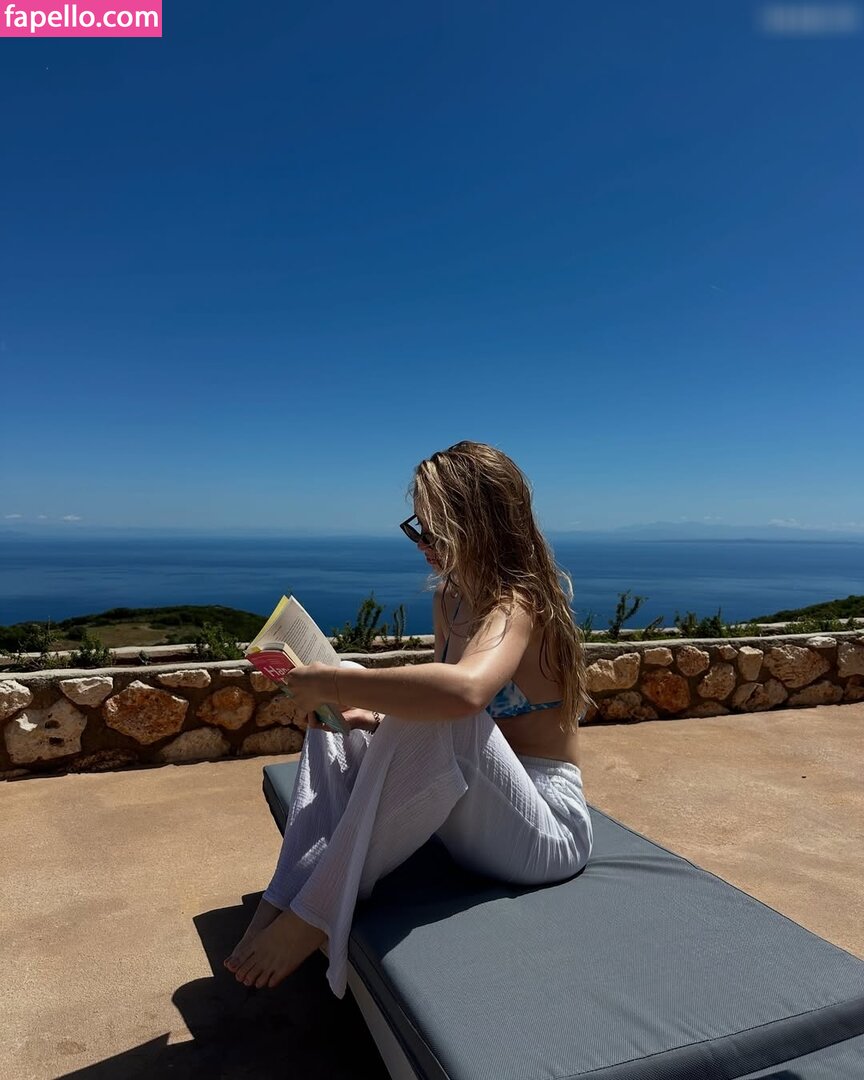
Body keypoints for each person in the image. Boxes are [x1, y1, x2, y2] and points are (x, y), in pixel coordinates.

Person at [224, 440, 594, 996]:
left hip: (543, 832)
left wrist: (336, 685)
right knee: (354, 691)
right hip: (476, 817)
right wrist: (361, 711)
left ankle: (314, 913)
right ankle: (286, 892)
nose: (422, 543)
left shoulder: (518, 603)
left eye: (435, 530)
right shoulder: (451, 599)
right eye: (417, 527)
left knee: (436, 703)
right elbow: (439, 723)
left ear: (480, 525)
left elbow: (466, 694)